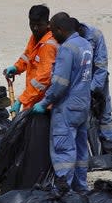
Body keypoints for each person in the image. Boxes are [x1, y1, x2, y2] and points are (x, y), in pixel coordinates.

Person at [31, 13, 93, 192]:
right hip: (82, 105)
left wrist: (45, 102)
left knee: (63, 148)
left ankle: (63, 189)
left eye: (52, 30)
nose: (51, 34)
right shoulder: (85, 44)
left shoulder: (66, 48)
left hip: (66, 107)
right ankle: (80, 187)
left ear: (60, 29)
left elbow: (60, 83)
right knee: (81, 149)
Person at [3, 4, 57, 116]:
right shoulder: (35, 36)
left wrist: (21, 100)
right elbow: (27, 56)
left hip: (44, 105)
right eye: (32, 24)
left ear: (47, 24)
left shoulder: (49, 45)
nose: (35, 28)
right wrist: (16, 67)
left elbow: (43, 79)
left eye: (39, 25)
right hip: (33, 100)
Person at [75, 19, 112, 141]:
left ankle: (110, 148)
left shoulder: (95, 35)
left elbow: (101, 67)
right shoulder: (67, 37)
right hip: (80, 84)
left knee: (104, 116)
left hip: (98, 82)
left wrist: (91, 90)